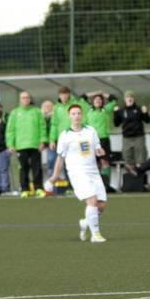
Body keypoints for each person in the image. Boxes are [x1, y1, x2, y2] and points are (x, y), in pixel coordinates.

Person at [44, 104, 107, 243]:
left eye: (78, 113)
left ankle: (85, 223)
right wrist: (54, 177)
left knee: (101, 205)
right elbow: (60, 158)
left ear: (82, 115)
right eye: (73, 114)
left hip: (93, 171)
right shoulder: (65, 135)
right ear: (69, 116)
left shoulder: (91, 130)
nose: (76, 116)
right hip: (77, 172)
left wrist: (100, 152)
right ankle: (95, 235)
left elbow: (98, 148)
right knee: (92, 200)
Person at [6, 90, 47, 198]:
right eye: (23, 98)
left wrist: (42, 141)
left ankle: (39, 188)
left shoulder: (37, 111)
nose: (25, 99)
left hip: (35, 144)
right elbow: (10, 130)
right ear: (20, 100)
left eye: (27, 97)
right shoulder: (15, 112)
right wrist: (10, 144)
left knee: (37, 168)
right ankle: (25, 189)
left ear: (30, 99)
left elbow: (42, 127)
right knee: (23, 168)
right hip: (21, 145)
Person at [82, 91, 118, 192]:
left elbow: (114, 100)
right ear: (92, 101)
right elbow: (82, 98)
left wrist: (103, 93)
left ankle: (105, 185)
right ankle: (94, 185)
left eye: (100, 99)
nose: (98, 101)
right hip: (90, 140)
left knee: (104, 162)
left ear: (102, 101)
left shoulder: (105, 110)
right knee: (93, 162)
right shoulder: (88, 110)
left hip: (103, 139)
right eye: (96, 99)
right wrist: (96, 92)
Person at [113, 91, 150, 174]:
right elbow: (116, 124)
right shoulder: (121, 110)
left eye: (131, 97)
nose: (129, 99)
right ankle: (132, 177)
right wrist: (115, 113)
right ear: (125, 99)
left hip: (138, 137)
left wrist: (145, 113)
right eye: (127, 97)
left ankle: (140, 176)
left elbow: (148, 121)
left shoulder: (139, 109)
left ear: (134, 99)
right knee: (127, 158)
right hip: (126, 137)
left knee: (140, 159)